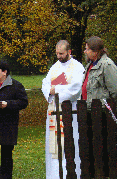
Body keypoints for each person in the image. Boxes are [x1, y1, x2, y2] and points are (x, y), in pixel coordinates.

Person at [42, 40, 85, 178]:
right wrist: (50, 90)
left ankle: (73, 173)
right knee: (54, 146)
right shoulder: (54, 67)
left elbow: (76, 88)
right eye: (57, 53)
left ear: (69, 52)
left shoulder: (77, 67)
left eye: (61, 53)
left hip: (71, 111)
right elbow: (45, 84)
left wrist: (57, 89)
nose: (59, 56)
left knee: (71, 143)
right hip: (54, 110)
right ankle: (54, 175)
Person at [82, 36, 117, 178]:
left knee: (107, 148)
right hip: (90, 113)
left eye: (87, 49)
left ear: (96, 51)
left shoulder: (107, 65)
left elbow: (116, 92)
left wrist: (115, 111)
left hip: (104, 114)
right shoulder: (90, 65)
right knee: (94, 149)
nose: (85, 52)